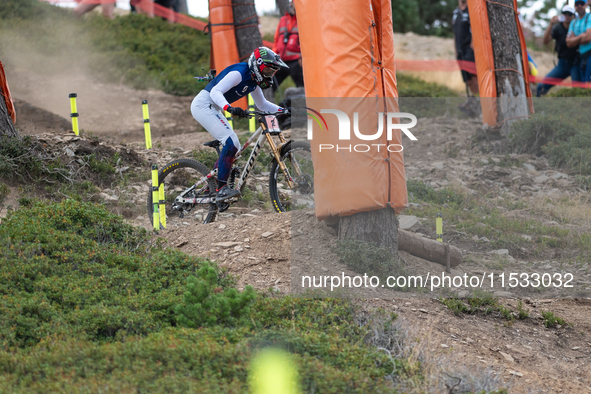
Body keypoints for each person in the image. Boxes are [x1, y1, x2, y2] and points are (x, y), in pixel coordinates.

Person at [191, 47, 289, 201]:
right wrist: (229, 108)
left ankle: (213, 184)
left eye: (273, 72)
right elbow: (215, 92)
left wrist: (284, 110)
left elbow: (262, 105)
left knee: (234, 144)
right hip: (203, 105)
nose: (270, 75)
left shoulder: (254, 81)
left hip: (214, 107)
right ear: (258, 65)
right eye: (269, 71)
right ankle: (221, 188)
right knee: (230, 142)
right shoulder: (239, 73)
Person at [537, 5, 580, 96]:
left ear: (574, 16)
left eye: (569, 14)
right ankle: (537, 109)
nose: (567, 16)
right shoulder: (557, 28)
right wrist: (551, 24)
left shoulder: (578, 27)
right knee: (541, 87)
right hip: (562, 64)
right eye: (565, 14)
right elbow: (545, 41)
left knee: (578, 91)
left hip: (576, 64)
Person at [272, 2, 304, 93]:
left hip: (297, 62)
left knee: (303, 88)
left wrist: (302, 58)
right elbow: (276, 41)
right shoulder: (283, 20)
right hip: (281, 61)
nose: (292, 4)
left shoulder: (304, 20)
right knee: (270, 86)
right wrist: (273, 58)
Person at [452, 0, 479, 96]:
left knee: (474, 76)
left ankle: (481, 102)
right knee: (467, 79)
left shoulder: (471, 11)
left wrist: (472, 47)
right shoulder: (455, 13)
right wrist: (455, 50)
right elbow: (455, 33)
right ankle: (473, 101)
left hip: (469, 50)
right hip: (460, 51)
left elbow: (475, 29)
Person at [567, 0, 591, 82]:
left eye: (582, 3)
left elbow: (588, 37)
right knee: (583, 85)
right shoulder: (573, 22)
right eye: (577, 4)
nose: (579, 6)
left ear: (585, 5)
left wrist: (575, 38)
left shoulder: (590, 17)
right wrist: (582, 36)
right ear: (574, 6)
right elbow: (568, 42)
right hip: (581, 57)